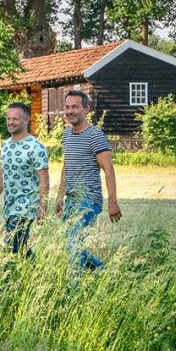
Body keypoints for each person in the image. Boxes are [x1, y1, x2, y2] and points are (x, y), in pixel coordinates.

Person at [54, 89, 121, 274]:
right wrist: (60, 197)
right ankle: (103, 271)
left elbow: (109, 170)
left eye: (75, 107)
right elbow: (66, 167)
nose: (70, 111)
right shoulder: (67, 135)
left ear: (87, 109)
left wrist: (112, 203)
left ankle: (73, 290)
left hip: (89, 199)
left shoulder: (95, 136)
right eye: (67, 107)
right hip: (71, 199)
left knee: (73, 243)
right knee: (69, 243)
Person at [0, 102, 49, 258]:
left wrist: (42, 207)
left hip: (26, 206)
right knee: (20, 247)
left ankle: (6, 281)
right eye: (8, 118)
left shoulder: (36, 147)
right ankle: (37, 272)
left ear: (26, 120)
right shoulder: (6, 145)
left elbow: (44, 180)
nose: (10, 122)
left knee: (11, 246)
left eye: (15, 119)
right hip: (10, 205)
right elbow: (2, 174)